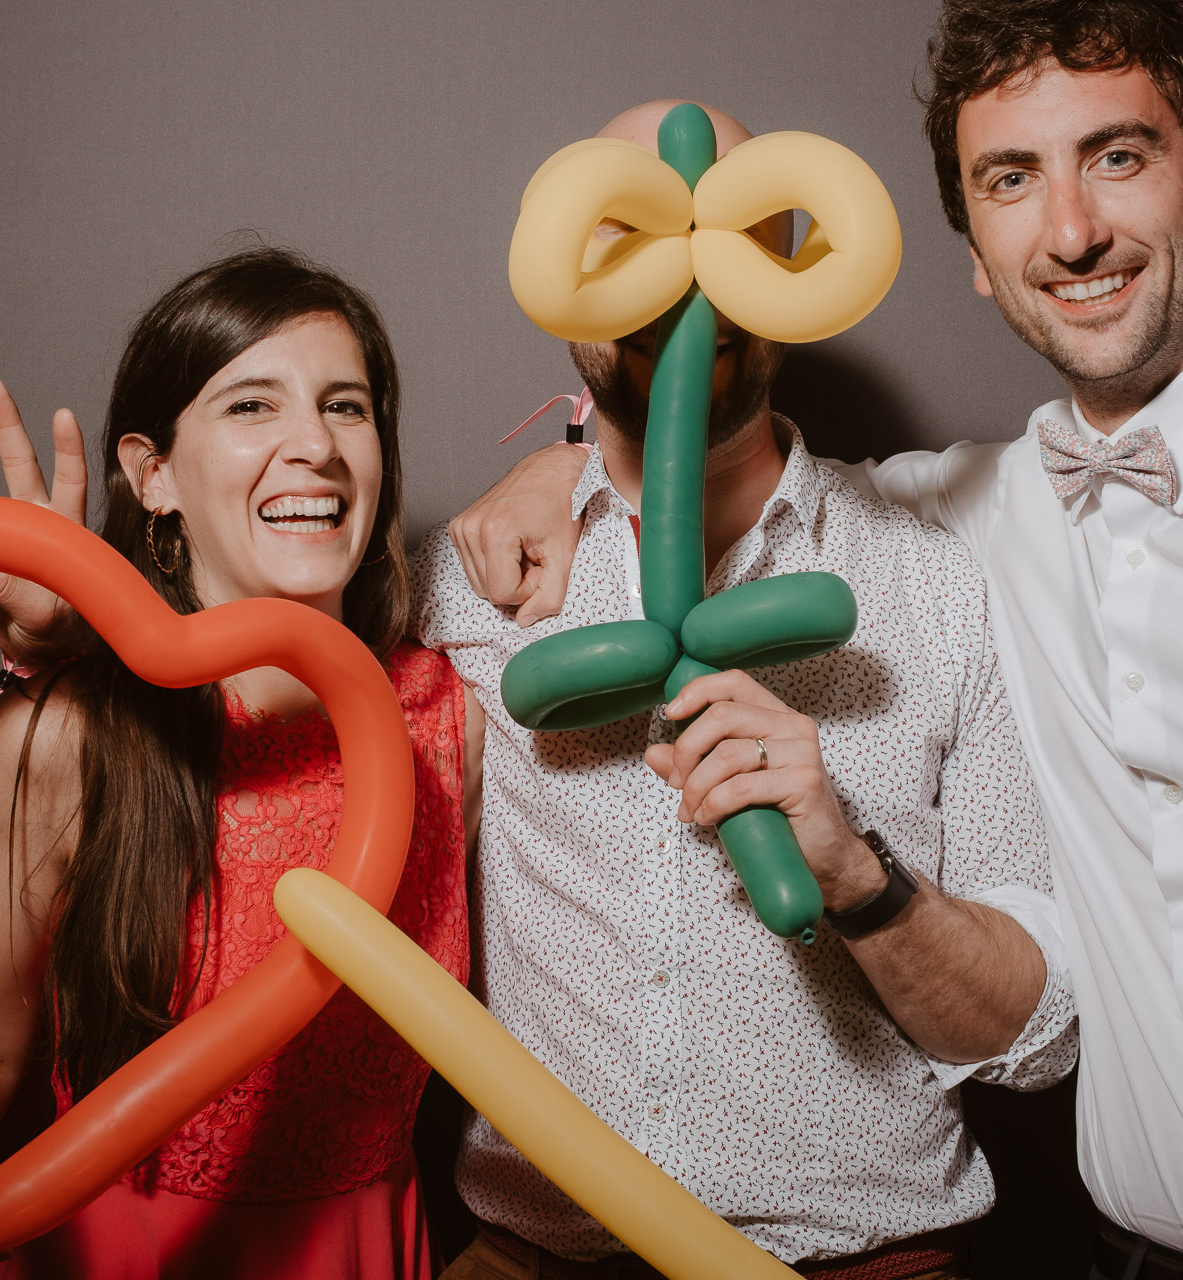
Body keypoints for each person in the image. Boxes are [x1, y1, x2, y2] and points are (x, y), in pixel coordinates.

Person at [450, 4, 1183, 1277]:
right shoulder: (963, 508)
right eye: (1011, 178)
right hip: (1126, 1250)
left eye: (1117, 155)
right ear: (978, 255)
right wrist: (562, 466)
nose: (1070, 228)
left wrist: (857, 868)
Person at [423, 100, 1076, 1280]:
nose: (683, 281)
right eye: (628, 238)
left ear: (787, 263)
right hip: (536, 1259)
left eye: (726, 231)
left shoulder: (928, 584)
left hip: (861, 1262)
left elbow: (1036, 1039)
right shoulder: (472, 577)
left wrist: (855, 872)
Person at [0, 246, 482, 1280]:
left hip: (365, 1250)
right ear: (152, 473)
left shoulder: (451, 716)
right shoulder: (61, 738)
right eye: (252, 406)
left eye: (346, 407)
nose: (314, 443)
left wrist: (559, 461)